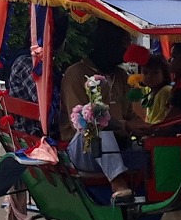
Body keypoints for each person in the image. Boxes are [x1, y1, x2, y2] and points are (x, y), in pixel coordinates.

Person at [61, 19, 147, 203]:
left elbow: (130, 114)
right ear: (107, 44)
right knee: (95, 123)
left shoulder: (122, 76)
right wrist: (126, 126)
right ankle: (118, 183)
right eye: (123, 44)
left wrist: (144, 127)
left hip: (119, 145)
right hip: (83, 149)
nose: (127, 49)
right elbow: (81, 120)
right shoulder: (75, 74)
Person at [137, 54, 173, 125]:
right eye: (145, 72)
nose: (149, 76)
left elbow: (163, 118)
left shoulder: (166, 90)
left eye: (155, 73)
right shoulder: (149, 90)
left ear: (164, 73)